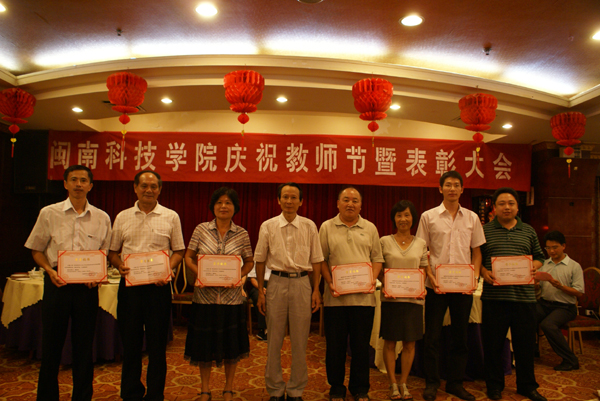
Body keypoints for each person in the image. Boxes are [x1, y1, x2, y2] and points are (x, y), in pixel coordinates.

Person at [25, 164, 111, 401]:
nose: (78, 185)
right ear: (65, 184)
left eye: (83, 180)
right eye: (73, 180)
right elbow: (36, 250)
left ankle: (82, 397)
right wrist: (48, 271)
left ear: (91, 186)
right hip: (57, 284)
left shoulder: (102, 217)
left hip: (87, 289)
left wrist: (98, 275)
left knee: (84, 347)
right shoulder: (49, 213)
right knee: (51, 346)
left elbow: (105, 254)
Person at [108, 170, 185, 401]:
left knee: (157, 346)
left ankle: (155, 394)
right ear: (135, 188)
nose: (149, 190)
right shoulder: (122, 217)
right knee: (130, 344)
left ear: (160, 190)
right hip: (130, 288)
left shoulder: (171, 216)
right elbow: (112, 252)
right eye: (144, 186)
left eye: (153, 186)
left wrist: (167, 269)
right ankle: (131, 393)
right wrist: (119, 265)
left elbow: (179, 250)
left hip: (158, 289)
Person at [415, 171, 485, 401]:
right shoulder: (428, 216)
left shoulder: (472, 218)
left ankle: (455, 383)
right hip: (435, 286)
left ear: (462, 189)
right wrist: (429, 275)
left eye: (456, 185)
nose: (452, 189)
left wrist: (475, 277)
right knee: (432, 337)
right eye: (448, 185)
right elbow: (422, 251)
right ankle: (432, 382)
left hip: (463, 287)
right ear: (440, 189)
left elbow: (477, 251)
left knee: (460, 337)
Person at [183, 187, 254, 401]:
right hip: (204, 299)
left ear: (235, 207)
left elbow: (249, 261)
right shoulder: (201, 230)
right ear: (213, 206)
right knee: (204, 347)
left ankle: (228, 388)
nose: (223, 206)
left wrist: (238, 275)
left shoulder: (242, 233)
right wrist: (200, 273)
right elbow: (188, 257)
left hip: (232, 300)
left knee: (231, 347)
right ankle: (205, 389)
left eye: (228, 203)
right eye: (219, 202)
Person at [254, 182, 324, 401]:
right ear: (278, 200)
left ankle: (295, 390)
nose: (289, 201)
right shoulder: (268, 226)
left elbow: (317, 260)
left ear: (301, 201)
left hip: (302, 283)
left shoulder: (309, 226)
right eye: (285, 197)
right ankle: (275, 389)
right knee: (273, 340)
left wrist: (316, 290)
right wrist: (261, 291)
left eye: (294, 197)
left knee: (300, 341)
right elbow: (259, 260)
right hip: (276, 282)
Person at [480, 187, 547, 401]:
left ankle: (527, 386)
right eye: (502, 203)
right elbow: (477, 259)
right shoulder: (484, 231)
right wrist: (483, 272)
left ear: (518, 207)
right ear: (494, 207)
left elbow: (540, 256)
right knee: (493, 345)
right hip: (494, 298)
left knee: (525, 345)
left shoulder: (528, 231)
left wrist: (533, 266)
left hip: (524, 298)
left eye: (511, 203)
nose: (506, 207)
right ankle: (494, 386)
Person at [319, 186, 384, 401]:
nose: (350, 204)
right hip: (335, 299)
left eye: (355, 200)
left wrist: (371, 279)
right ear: (337, 203)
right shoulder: (327, 227)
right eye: (346, 200)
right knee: (335, 347)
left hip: (364, 300)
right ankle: (336, 387)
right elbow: (321, 260)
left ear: (361, 205)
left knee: (360, 346)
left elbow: (377, 259)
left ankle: (359, 388)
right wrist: (329, 282)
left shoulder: (370, 228)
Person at [380, 200, 432, 401]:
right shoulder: (384, 241)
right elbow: (378, 268)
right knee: (390, 342)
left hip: (413, 300)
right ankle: (392, 383)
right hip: (391, 300)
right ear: (394, 218)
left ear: (413, 218)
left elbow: (423, 269)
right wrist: (386, 283)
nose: (403, 219)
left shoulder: (421, 243)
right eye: (399, 215)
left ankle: (404, 382)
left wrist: (423, 284)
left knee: (410, 343)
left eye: (407, 215)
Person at [535, 230, 584, 371]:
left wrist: (561, 287)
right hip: (545, 303)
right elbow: (539, 289)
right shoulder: (544, 264)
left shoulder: (574, 266)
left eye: (555, 247)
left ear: (563, 246)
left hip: (565, 307)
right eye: (548, 248)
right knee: (525, 316)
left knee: (548, 325)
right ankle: (531, 350)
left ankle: (571, 360)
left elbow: (579, 292)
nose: (551, 251)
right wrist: (536, 285)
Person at [247, 262, 271, 341]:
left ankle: (270, 328)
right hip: (258, 285)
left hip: (273, 284)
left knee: (271, 297)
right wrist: (261, 289)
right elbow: (252, 279)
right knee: (259, 297)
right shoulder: (255, 261)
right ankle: (264, 329)